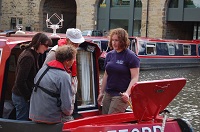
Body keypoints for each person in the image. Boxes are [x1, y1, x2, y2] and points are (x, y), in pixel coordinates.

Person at [29, 45, 77, 124]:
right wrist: (70, 111)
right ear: (67, 61)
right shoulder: (64, 76)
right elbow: (67, 108)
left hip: (34, 114)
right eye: (73, 59)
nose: (74, 61)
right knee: (70, 120)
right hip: (50, 117)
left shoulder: (44, 68)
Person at [43, 28, 85, 117]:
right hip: (60, 92)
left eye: (78, 43)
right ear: (68, 40)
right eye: (74, 43)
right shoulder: (54, 52)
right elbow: (45, 71)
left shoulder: (73, 50)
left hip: (70, 91)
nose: (77, 45)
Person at [97, 28, 140, 114]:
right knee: (104, 117)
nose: (114, 43)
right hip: (108, 93)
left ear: (123, 41)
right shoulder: (109, 55)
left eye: (117, 40)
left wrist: (127, 93)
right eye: (112, 40)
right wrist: (101, 92)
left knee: (111, 119)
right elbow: (106, 75)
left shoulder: (131, 56)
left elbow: (135, 78)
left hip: (121, 95)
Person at [12, 32, 52, 120]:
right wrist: (29, 98)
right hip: (21, 96)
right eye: (46, 46)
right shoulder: (28, 57)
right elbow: (20, 82)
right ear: (39, 43)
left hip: (21, 95)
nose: (47, 48)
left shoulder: (32, 54)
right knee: (23, 124)